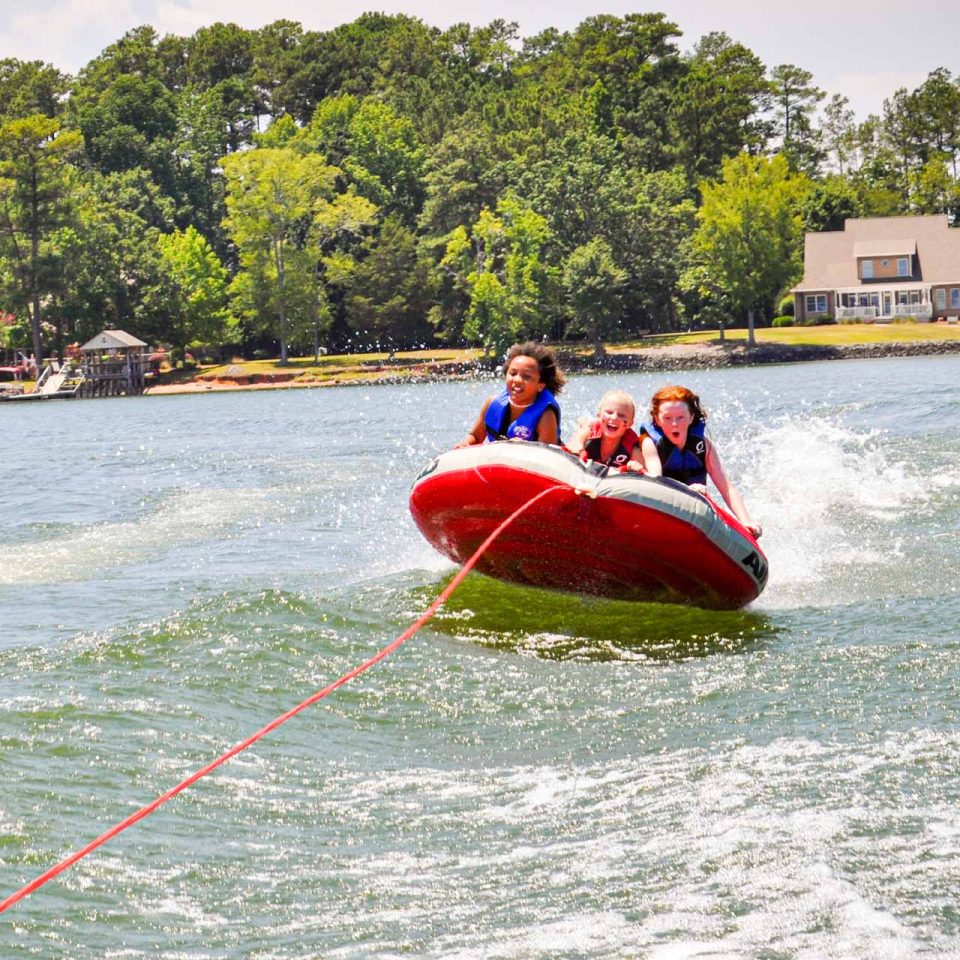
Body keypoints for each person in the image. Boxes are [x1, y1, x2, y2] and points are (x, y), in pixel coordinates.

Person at [639, 384, 762, 538]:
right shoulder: (649, 444)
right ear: (657, 419)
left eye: (680, 417)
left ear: (691, 418)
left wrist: (746, 521)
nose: (675, 424)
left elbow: (727, 488)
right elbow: (656, 482)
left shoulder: (704, 446)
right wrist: (688, 491)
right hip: (663, 509)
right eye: (667, 418)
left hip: (695, 511)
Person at [455, 341, 565, 447]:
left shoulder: (546, 416)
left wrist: (525, 447)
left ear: (540, 385)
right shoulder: (491, 404)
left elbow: (547, 456)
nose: (517, 380)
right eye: (512, 373)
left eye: (526, 377)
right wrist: (467, 443)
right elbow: (475, 437)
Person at [566, 389, 646, 471]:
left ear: (630, 424)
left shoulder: (632, 448)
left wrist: (632, 467)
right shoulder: (589, 432)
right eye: (609, 412)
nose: (614, 417)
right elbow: (575, 444)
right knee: (587, 425)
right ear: (599, 416)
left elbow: (643, 473)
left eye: (621, 415)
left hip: (614, 478)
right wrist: (578, 446)